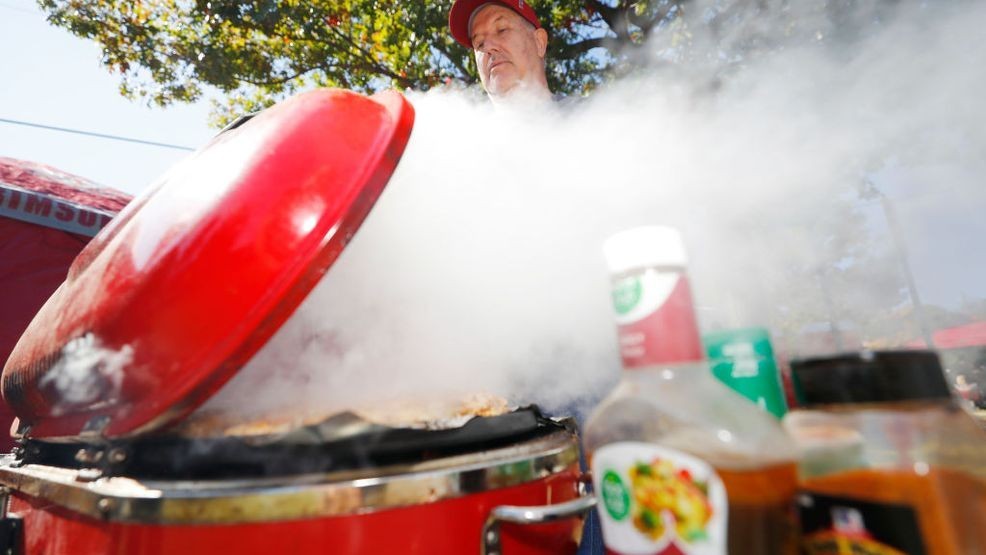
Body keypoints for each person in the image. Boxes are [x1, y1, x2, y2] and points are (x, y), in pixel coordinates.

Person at [448, 0, 553, 104]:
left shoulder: (569, 113)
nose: (487, 47)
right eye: (480, 43)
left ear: (539, 42)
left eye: (502, 30)